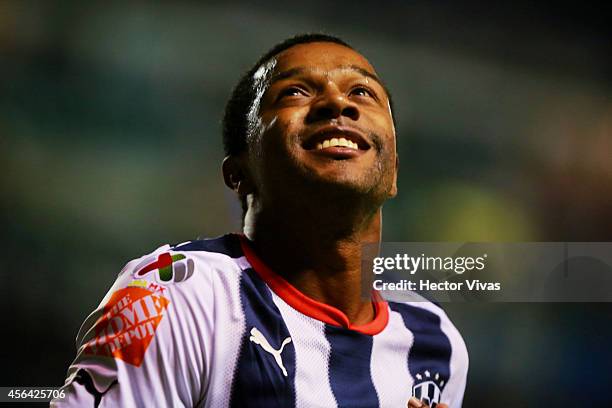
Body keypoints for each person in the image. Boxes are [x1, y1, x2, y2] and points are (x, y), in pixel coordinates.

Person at [54, 33, 468, 408]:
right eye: (296, 92)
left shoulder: (435, 342)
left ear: (393, 171)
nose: (338, 103)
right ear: (239, 173)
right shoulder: (175, 294)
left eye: (361, 91)